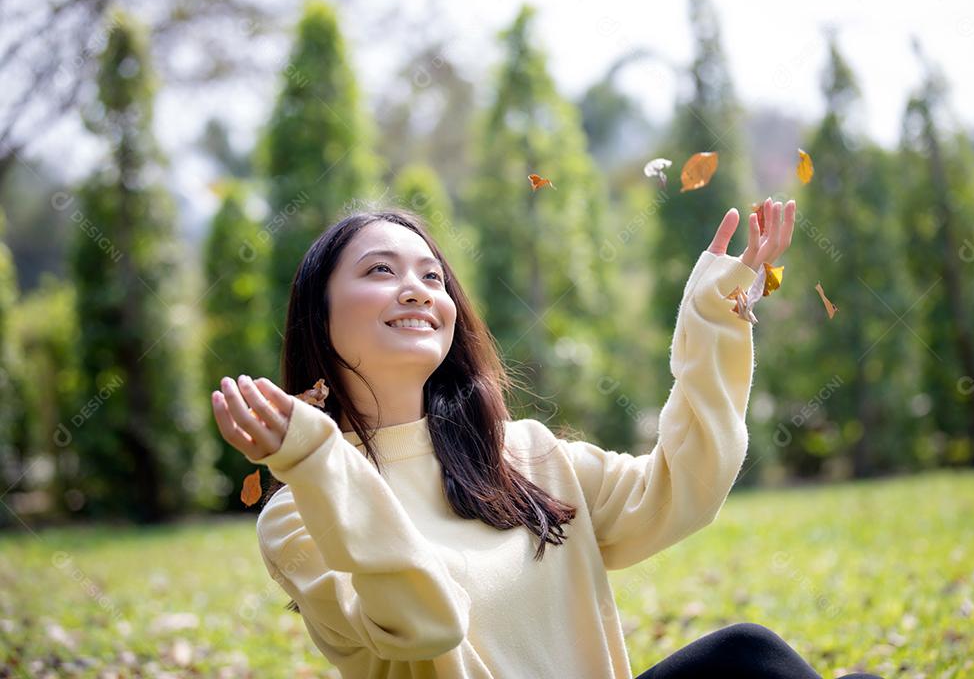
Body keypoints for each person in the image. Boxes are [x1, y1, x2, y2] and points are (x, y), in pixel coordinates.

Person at [211, 200, 883, 679]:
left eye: (432, 276)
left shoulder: (525, 454)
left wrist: (712, 314)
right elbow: (427, 624)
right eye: (380, 271)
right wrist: (316, 457)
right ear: (318, 314)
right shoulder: (301, 514)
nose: (415, 289)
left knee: (748, 657)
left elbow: (685, 488)